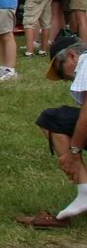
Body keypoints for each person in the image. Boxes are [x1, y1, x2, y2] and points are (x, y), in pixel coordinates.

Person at [25, 37, 87, 226]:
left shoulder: (85, 63)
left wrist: (73, 153)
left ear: (71, 56)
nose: (64, 78)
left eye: (60, 71)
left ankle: (84, 192)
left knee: (51, 119)